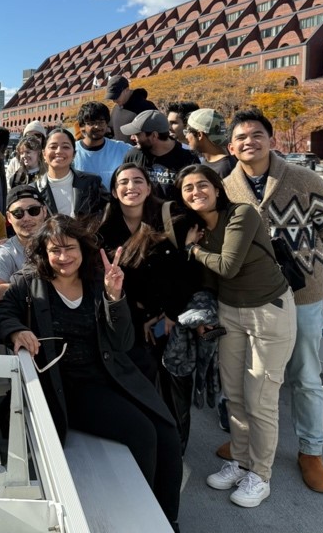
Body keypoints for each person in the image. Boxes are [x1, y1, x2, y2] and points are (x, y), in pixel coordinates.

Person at [0, 215, 182, 528]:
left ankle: (166, 519)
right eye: (55, 250)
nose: (63, 257)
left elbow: (123, 341)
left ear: (82, 248)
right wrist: (15, 332)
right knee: (142, 433)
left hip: (111, 375)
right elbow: (1, 318)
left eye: (70, 249)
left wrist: (114, 296)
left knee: (167, 434)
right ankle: (136, 518)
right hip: (67, 386)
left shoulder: (98, 281)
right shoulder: (28, 283)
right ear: (43, 252)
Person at [221, 108, 323, 494]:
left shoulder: (305, 179)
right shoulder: (226, 187)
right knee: (249, 375)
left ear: (270, 140)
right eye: (241, 137)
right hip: (250, 297)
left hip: (302, 293)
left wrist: (304, 267)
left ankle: (311, 449)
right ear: (231, 146)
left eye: (256, 135)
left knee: (305, 373)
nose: (249, 142)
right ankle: (246, 445)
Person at [175, 164, 296, 508]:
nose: (196, 192)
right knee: (235, 394)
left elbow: (228, 266)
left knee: (260, 397)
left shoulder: (240, 214)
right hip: (230, 312)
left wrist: (193, 251)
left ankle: (260, 474)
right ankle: (241, 462)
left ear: (216, 187)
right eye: (188, 189)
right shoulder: (200, 228)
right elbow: (212, 283)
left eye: (202, 185)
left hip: (268, 310)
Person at [99, 163, 201, 453]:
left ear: (148, 186)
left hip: (170, 317)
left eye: (137, 181)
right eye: (123, 183)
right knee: (136, 382)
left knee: (172, 386)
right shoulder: (104, 226)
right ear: (115, 191)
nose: (131, 187)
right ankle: (140, 440)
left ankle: (174, 449)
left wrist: (168, 313)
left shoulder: (173, 220)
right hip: (130, 318)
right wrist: (140, 314)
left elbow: (189, 274)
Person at [0, 185, 48, 307]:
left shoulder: (62, 244)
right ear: (9, 217)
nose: (27, 218)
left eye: (33, 210)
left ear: (44, 212)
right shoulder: (3, 253)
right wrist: (42, 285)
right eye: (18, 213)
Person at [122, 110, 199, 200]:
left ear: (154, 135)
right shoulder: (133, 155)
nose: (132, 138)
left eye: (137, 134)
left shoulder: (188, 159)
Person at [35, 128, 107, 218]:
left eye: (65, 147)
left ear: (74, 154)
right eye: (53, 147)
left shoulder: (92, 183)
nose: (59, 151)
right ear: (44, 154)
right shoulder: (34, 190)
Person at [72, 101, 132, 189]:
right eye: (91, 123)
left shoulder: (122, 149)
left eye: (101, 122)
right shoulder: (71, 151)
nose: (97, 126)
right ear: (82, 126)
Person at [185, 109, 237, 178]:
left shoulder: (225, 169)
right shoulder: (210, 162)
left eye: (188, 132)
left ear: (199, 135)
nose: (186, 136)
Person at [105, 76, 157, 141]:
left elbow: (156, 134)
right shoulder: (116, 108)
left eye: (116, 96)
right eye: (112, 97)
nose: (114, 101)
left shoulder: (145, 107)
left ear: (126, 90)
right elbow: (112, 131)